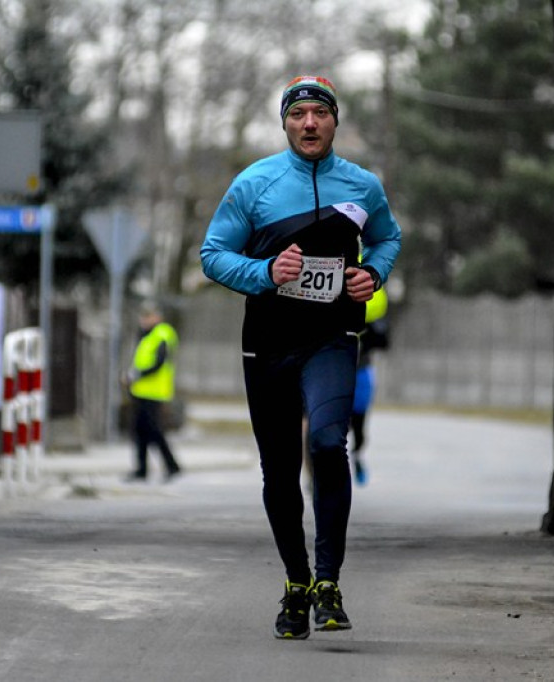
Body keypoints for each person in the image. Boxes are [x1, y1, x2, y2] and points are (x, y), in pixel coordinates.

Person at [200, 75, 401, 640]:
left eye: (319, 113)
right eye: (298, 114)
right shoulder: (255, 183)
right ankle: (296, 582)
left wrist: (373, 273)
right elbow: (212, 255)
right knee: (281, 470)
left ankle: (329, 583)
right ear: (285, 122)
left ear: (335, 121)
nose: (309, 123)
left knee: (327, 443)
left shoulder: (362, 186)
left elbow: (388, 238)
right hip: (266, 343)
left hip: (332, 337)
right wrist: (265, 273)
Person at [122, 302, 182, 482]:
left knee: (153, 431)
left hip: (155, 392)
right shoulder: (147, 335)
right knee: (140, 430)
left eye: (147, 316)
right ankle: (142, 469)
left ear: (157, 317)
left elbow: (159, 362)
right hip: (142, 391)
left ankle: (171, 466)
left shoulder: (162, 334)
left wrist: (136, 374)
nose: (143, 320)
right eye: (143, 317)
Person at [350, 287, 390, 486]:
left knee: (358, 426)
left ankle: (357, 455)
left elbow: (383, 343)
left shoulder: (370, 321)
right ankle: (314, 475)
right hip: (330, 373)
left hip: (360, 373)